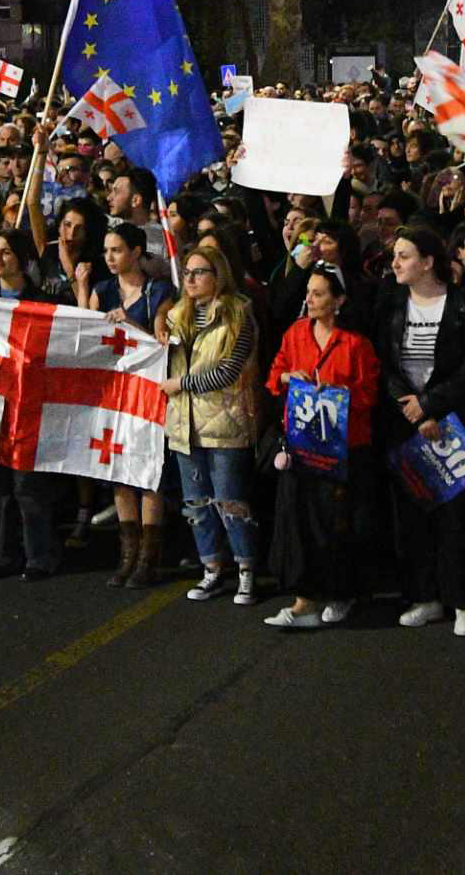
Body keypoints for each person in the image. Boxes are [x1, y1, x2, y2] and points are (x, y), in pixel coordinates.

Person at [375, 225, 465, 638]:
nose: (396, 263)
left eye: (405, 255)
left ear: (428, 262)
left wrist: (431, 405)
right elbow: (385, 364)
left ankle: (463, 599)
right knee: (413, 513)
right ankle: (425, 595)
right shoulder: (392, 304)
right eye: (396, 255)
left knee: (457, 516)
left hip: (454, 423)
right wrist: (411, 407)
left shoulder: (464, 303)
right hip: (405, 423)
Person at [263, 262, 382, 628]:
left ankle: (342, 592)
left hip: (344, 449)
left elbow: (370, 394)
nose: (310, 300)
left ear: (339, 301)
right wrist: (286, 376)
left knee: (338, 523)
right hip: (303, 445)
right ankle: (304, 599)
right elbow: (273, 377)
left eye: (318, 294)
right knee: (300, 521)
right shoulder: (296, 333)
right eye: (308, 293)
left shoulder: (356, 344)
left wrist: (339, 394)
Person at [161, 245, 262, 606]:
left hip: (225, 424)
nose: (190, 279)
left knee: (230, 502)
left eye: (199, 272)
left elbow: (229, 371)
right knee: (197, 506)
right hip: (184, 426)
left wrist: (182, 385)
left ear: (218, 275)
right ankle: (212, 570)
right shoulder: (175, 316)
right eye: (187, 272)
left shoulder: (238, 314)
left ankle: (247, 571)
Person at [89, 221, 176, 586]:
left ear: (136, 252)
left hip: (148, 396)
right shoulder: (102, 290)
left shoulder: (159, 292)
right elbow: (87, 337)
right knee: (120, 474)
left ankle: (148, 558)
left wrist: (130, 325)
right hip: (113, 396)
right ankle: (127, 554)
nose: (109, 257)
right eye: (106, 250)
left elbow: (163, 343)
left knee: (149, 473)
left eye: (117, 250)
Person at [0, 226, 62, 580]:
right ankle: (3, 554)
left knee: (28, 487)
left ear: (23, 260)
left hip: (30, 406)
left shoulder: (42, 304)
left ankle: (39, 555)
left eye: (6, 253)